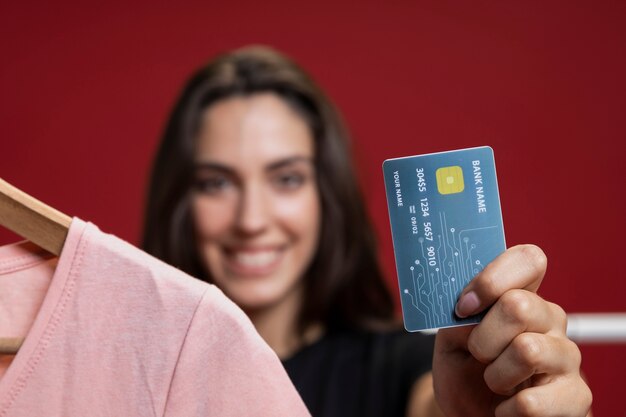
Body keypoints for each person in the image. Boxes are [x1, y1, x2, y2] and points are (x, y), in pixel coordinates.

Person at [142, 46, 592, 416]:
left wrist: (521, 394)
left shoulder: (409, 370)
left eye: (287, 178)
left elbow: (440, 405)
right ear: (180, 200)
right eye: (216, 183)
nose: (251, 220)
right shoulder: (136, 367)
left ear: (326, 195)